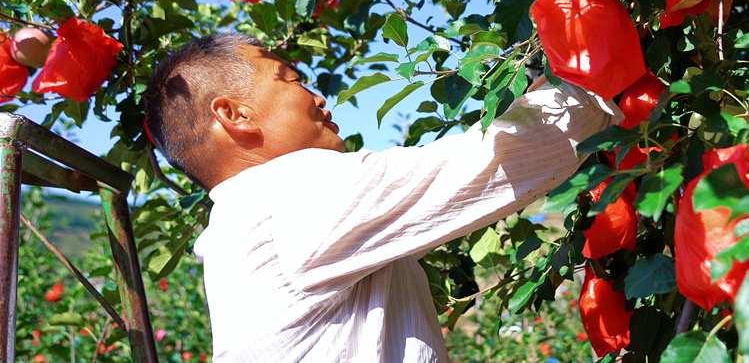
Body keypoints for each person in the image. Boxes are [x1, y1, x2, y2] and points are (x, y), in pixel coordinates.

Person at [142, 33, 622, 362]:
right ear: (236, 115)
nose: (318, 97)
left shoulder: (238, 227)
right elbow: (500, 158)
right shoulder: (289, 196)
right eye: (292, 79)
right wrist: (601, 50)